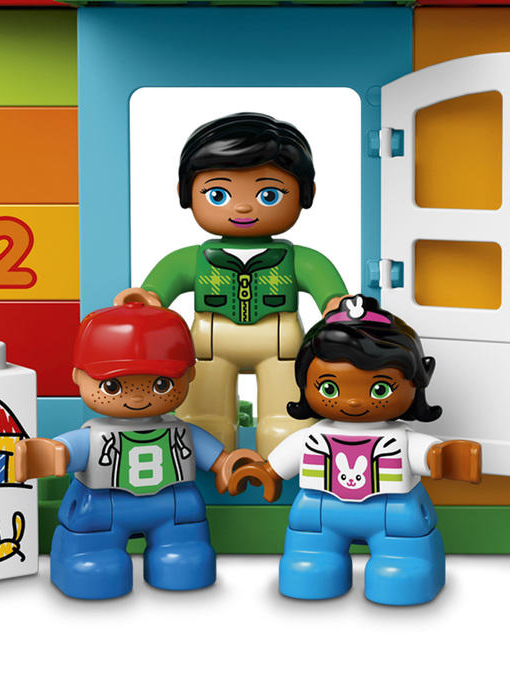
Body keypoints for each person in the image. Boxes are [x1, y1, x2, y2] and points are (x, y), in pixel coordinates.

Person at [117, 113, 346, 456]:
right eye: (218, 194)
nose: (242, 206)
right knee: (204, 416)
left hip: (280, 342)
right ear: (185, 193)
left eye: (269, 195)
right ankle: (211, 459)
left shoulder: (302, 259)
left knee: (287, 417)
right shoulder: (190, 259)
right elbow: (153, 293)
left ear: (306, 193)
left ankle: (283, 461)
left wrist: (336, 305)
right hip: (210, 342)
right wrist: (146, 299)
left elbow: (332, 294)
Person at [227, 296, 482, 606]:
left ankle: (405, 564)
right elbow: (288, 457)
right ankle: (314, 560)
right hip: (320, 511)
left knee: (402, 563)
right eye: (329, 388)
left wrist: (442, 458)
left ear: (417, 382)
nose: (353, 401)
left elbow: (426, 454)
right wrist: (268, 472)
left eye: (379, 389)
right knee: (310, 558)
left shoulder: (399, 439)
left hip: (392, 513)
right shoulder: (313, 436)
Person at [10, 301, 261, 599]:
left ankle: (179, 552)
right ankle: (86, 558)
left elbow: (213, 456)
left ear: (190, 375)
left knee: (185, 554)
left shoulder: (180, 430)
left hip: (173, 507)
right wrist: (51, 453)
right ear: (78, 376)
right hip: (104, 508)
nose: (138, 398)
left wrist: (226, 465)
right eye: (113, 386)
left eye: (161, 384)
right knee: (96, 560)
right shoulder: (95, 435)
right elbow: (67, 449)